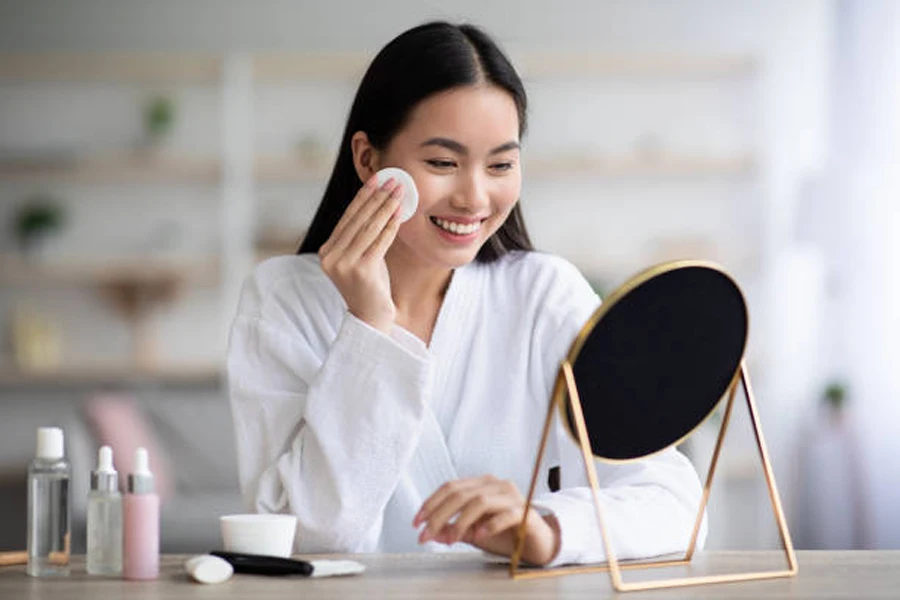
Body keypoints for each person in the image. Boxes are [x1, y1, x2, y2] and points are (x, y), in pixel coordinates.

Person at [227, 21, 705, 567]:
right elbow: (298, 537)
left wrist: (545, 528)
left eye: (501, 164)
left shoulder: (543, 294)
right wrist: (369, 326)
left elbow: (674, 501)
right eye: (442, 163)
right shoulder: (282, 301)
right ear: (367, 160)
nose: (474, 197)